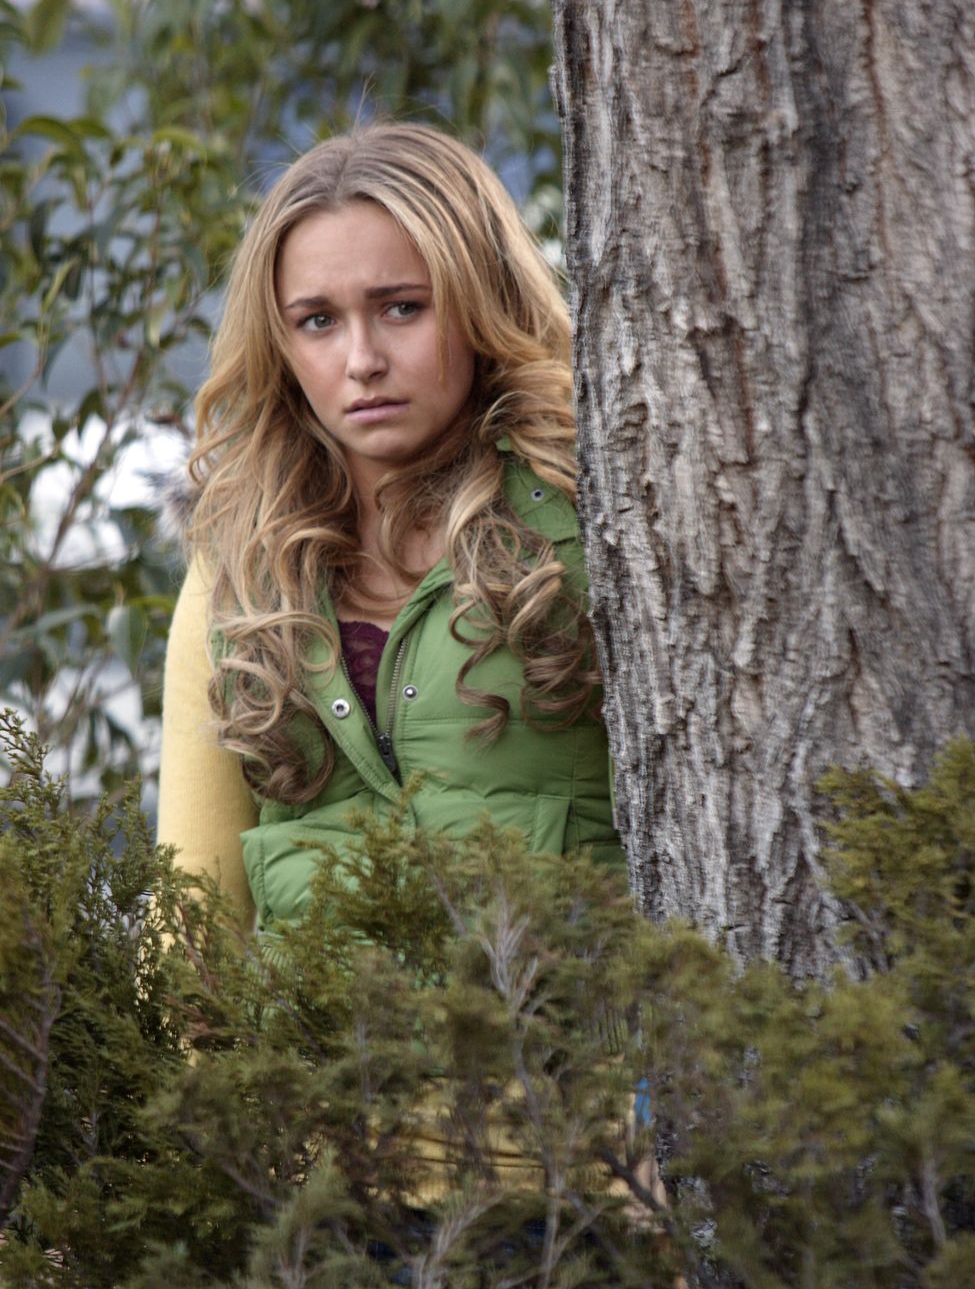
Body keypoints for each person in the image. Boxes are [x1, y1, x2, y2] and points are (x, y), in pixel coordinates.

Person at [157, 121, 624, 935]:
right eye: (317, 321)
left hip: (565, 1056)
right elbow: (193, 913)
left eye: (402, 307)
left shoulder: (597, 514)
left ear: (483, 299)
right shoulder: (240, 564)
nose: (361, 358)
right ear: (280, 340)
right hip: (312, 1060)